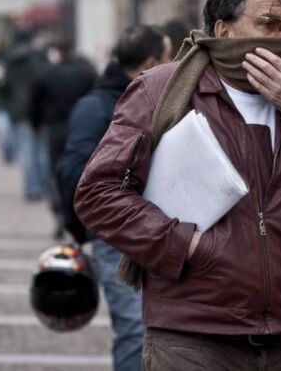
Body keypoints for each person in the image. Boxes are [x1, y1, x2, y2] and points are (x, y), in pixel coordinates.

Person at [74, 0, 281, 370]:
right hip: (192, 339)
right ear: (223, 30)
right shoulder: (162, 90)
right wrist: (185, 246)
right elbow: (97, 193)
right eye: (268, 23)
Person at [57, 25, 171, 371]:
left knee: (161, 332)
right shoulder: (96, 107)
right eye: (168, 58)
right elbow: (73, 174)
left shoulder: (160, 99)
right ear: (151, 62)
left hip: (161, 231)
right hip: (117, 236)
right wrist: (84, 231)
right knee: (135, 330)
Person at [31, 37, 97, 238]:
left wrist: (36, 124)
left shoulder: (49, 73)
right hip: (83, 126)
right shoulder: (88, 72)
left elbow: (36, 101)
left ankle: (60, 212)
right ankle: (81, 214)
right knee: (83, 171)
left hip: (56, 127)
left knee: (57, 173)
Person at [1, 27, 50, 200]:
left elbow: (5, 84)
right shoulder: (39, 56)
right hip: (40, 109)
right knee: (42, 150)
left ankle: (32, 188)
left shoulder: (9, 57)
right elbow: (46, 80)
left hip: (19, 109)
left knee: (26, 151)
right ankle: (45, 186)